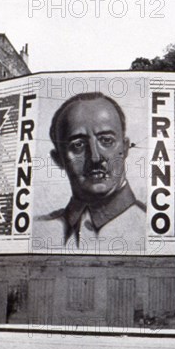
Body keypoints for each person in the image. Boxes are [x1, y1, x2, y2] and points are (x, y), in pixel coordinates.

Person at [36, 92, 145, 248]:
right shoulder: (40, 229)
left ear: (125, 148)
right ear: (58, 159)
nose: (95, 158)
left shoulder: (150, 226)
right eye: (78, 145)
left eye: (107, 141)